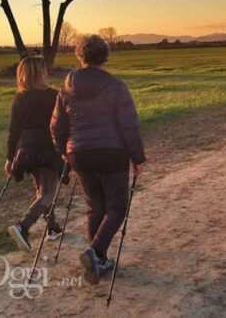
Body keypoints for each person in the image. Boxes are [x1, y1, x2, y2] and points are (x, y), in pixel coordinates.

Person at [51, 35, 146, 285]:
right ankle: (96, 251)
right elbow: (129, 125)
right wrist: (138, 157)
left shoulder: (66, 87)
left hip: (79, 154)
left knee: (95, 206)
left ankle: (98, 259)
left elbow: (57, 126)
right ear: (105, 56)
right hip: (111, 152)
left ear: (80, 55)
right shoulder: (115, 85)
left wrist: (64, 151)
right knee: (117, 207)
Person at [5, 54, 64, 253]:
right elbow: (62, 124)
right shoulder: (54, 95)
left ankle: (53, 228)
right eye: (44, 69)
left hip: (27, 151)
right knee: (48, 193)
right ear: (40, 73)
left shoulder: (19, 98)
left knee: (42, 190)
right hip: (49, 148)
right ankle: (23, 226)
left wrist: (10, 157)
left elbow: (13, 130)